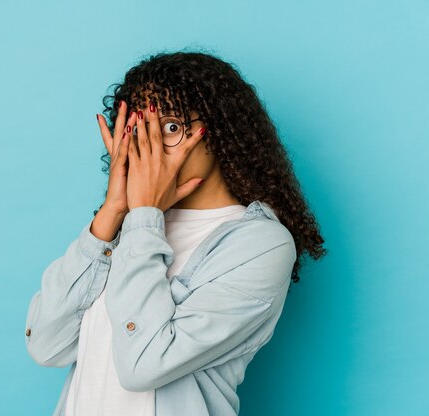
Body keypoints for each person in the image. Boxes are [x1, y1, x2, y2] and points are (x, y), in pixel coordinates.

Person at [25, 50, 327, 416]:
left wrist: (144, 215)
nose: (150, 147)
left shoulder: (261, 245)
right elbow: (47, 345)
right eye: (137, 130)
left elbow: (145, 364)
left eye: (169, 127)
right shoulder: (125, 227)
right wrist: (113, 211)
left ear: (218, 130)